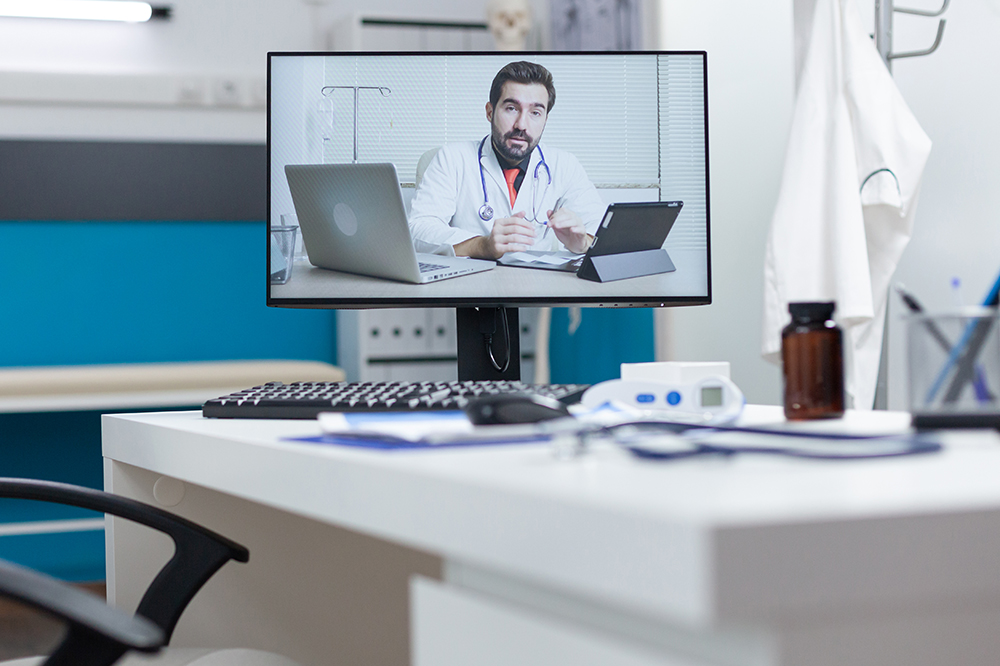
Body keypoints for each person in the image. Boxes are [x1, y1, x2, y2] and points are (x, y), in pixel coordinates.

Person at [408, 61, 606, 260]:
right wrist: (482, 245)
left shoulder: (565, 165)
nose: (522, 125)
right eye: (511, 108)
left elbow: (603, 234)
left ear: (545, 119)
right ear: (490, 112)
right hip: (472, 282)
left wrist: (583, 243)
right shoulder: (452, 158)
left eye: (535, 113)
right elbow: (417, 230)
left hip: (538, 285)